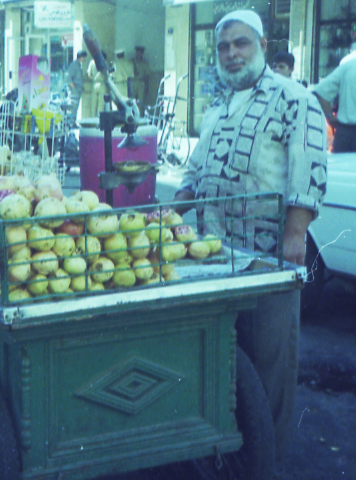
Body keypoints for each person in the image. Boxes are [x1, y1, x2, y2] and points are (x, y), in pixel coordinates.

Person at [173, 10, 327, 463]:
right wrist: (169, 212)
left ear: (261, 42)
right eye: (223, 47)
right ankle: (231, 455)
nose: (232, 53)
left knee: (269, 365)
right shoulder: (218, 106)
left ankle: (269, 461)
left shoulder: (294, 99)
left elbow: (309, 166)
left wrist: (296, 233)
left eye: (240, 43)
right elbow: (196, 170)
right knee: (225, 359)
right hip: (215, 257)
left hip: (267, 260)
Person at [313, 47, 356, 153]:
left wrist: (329, 116)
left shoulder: (349, 66)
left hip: (346, 134)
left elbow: (320, 92)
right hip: (346, 132)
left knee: (340, 168)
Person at [64, 50, 87, 126]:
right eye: (84, 57)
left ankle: (72, 122)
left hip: (78, 90)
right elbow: (68, 77)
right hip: (74, 91)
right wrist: (73, 87)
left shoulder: (78, 66)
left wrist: (81, 87)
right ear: (81, 57)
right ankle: (70, 123)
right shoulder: (74, 66)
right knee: (72, 108)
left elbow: (77, 79)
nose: (84, 59)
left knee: (75, 108)